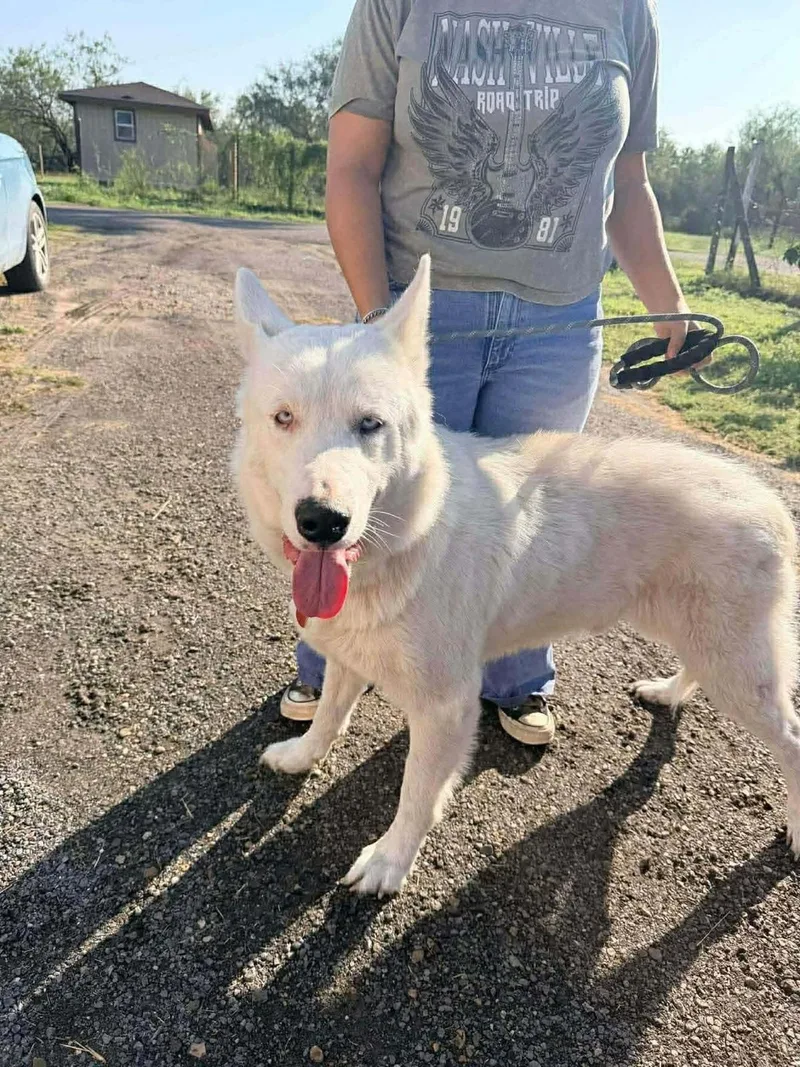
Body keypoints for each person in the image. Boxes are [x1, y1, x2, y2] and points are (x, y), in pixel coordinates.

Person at [281, 0, 694, 746]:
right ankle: (331, 661)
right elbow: (352, 166)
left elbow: (626, 185)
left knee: (524, 521)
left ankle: (514, 677)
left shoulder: (629, 10)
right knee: (378, 499)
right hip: (418, 318)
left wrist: (670, 306)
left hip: (559, 324)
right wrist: (382, 326)